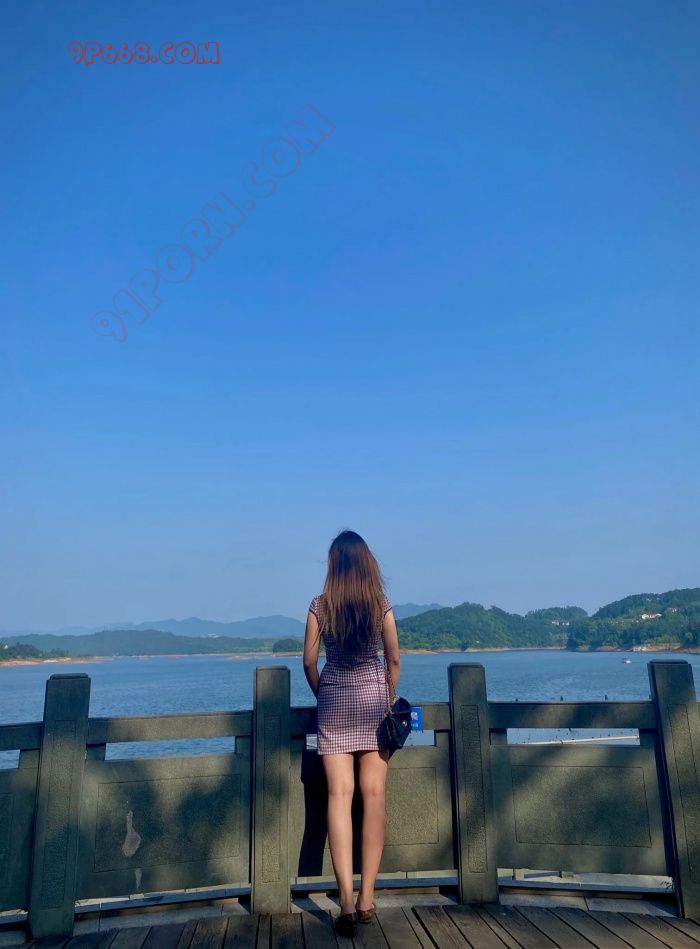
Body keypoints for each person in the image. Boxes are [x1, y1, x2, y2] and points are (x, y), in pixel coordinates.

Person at [303, 529, 401, 937]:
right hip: (373, 703)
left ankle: (343, 901)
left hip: (334, 703)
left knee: (338, 797)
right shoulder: (380, 603)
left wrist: (324, 693)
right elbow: (393, 659)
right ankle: (366, 898)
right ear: (367, 563)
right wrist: (386, 698)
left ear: (333, 564)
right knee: (374, 796)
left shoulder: (320, 605)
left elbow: (309, 662)